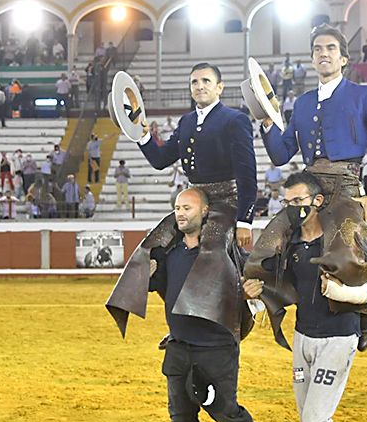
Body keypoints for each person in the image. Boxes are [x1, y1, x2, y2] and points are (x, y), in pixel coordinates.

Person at [245, 24, 367, 351]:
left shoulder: (364, 95)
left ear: (343, 58)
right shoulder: (303, 103)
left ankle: (363, 310)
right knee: (270, 240)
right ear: (312, 58)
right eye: (318, 49)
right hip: (308, 186)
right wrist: (266, 120)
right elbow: (280, 155)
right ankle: (262, 302)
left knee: (345, 247)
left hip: (348, 184)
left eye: (331, 48)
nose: (323, 53)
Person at [243, 172, 367, 422]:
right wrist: (258, 299)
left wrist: (346, 294)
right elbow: (286, 290)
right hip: (303, 336)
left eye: (298, 201)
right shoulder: (290, 246)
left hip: (339, 334)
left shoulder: (343, 239)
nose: (292, 208)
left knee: (317, 419)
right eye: (287, 202)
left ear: (317, 201)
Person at [106, 62, 257, 344]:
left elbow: (247, 174)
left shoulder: (235, 120)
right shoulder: (187, 122)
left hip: (225, 201)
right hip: (194, 200)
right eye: (194, 82)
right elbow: (161, 160)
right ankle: (180, 323)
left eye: (206, 81)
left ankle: (239, 316)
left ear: (219, 87)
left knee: (209, 248)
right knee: (156, 245)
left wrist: (245, 220)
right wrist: (142, 134)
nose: (199, 86)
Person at [150, 188, 273, 422]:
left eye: (188, 208)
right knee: (181, 413)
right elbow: (159, 287)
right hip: (179, 344)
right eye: (177, 207)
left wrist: (249, 292)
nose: (180, 213)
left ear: (204, 212)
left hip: (216, 345)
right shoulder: (169, 254)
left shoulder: (225, 251)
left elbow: (256, 278)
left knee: (224, 410)